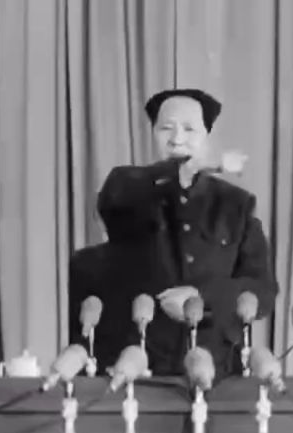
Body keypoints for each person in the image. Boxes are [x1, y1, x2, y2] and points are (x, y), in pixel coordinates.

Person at [85, 88, 278, 377]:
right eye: (166, 128)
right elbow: (113, 199)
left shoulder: (236, 205)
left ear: (206, 136)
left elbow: (262, 290)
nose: (176, 139)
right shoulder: (127, 186)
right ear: (153, 134)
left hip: (218, 365)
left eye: (189, 129)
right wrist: (199, 165)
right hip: (137, 361)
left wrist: (201, 297)